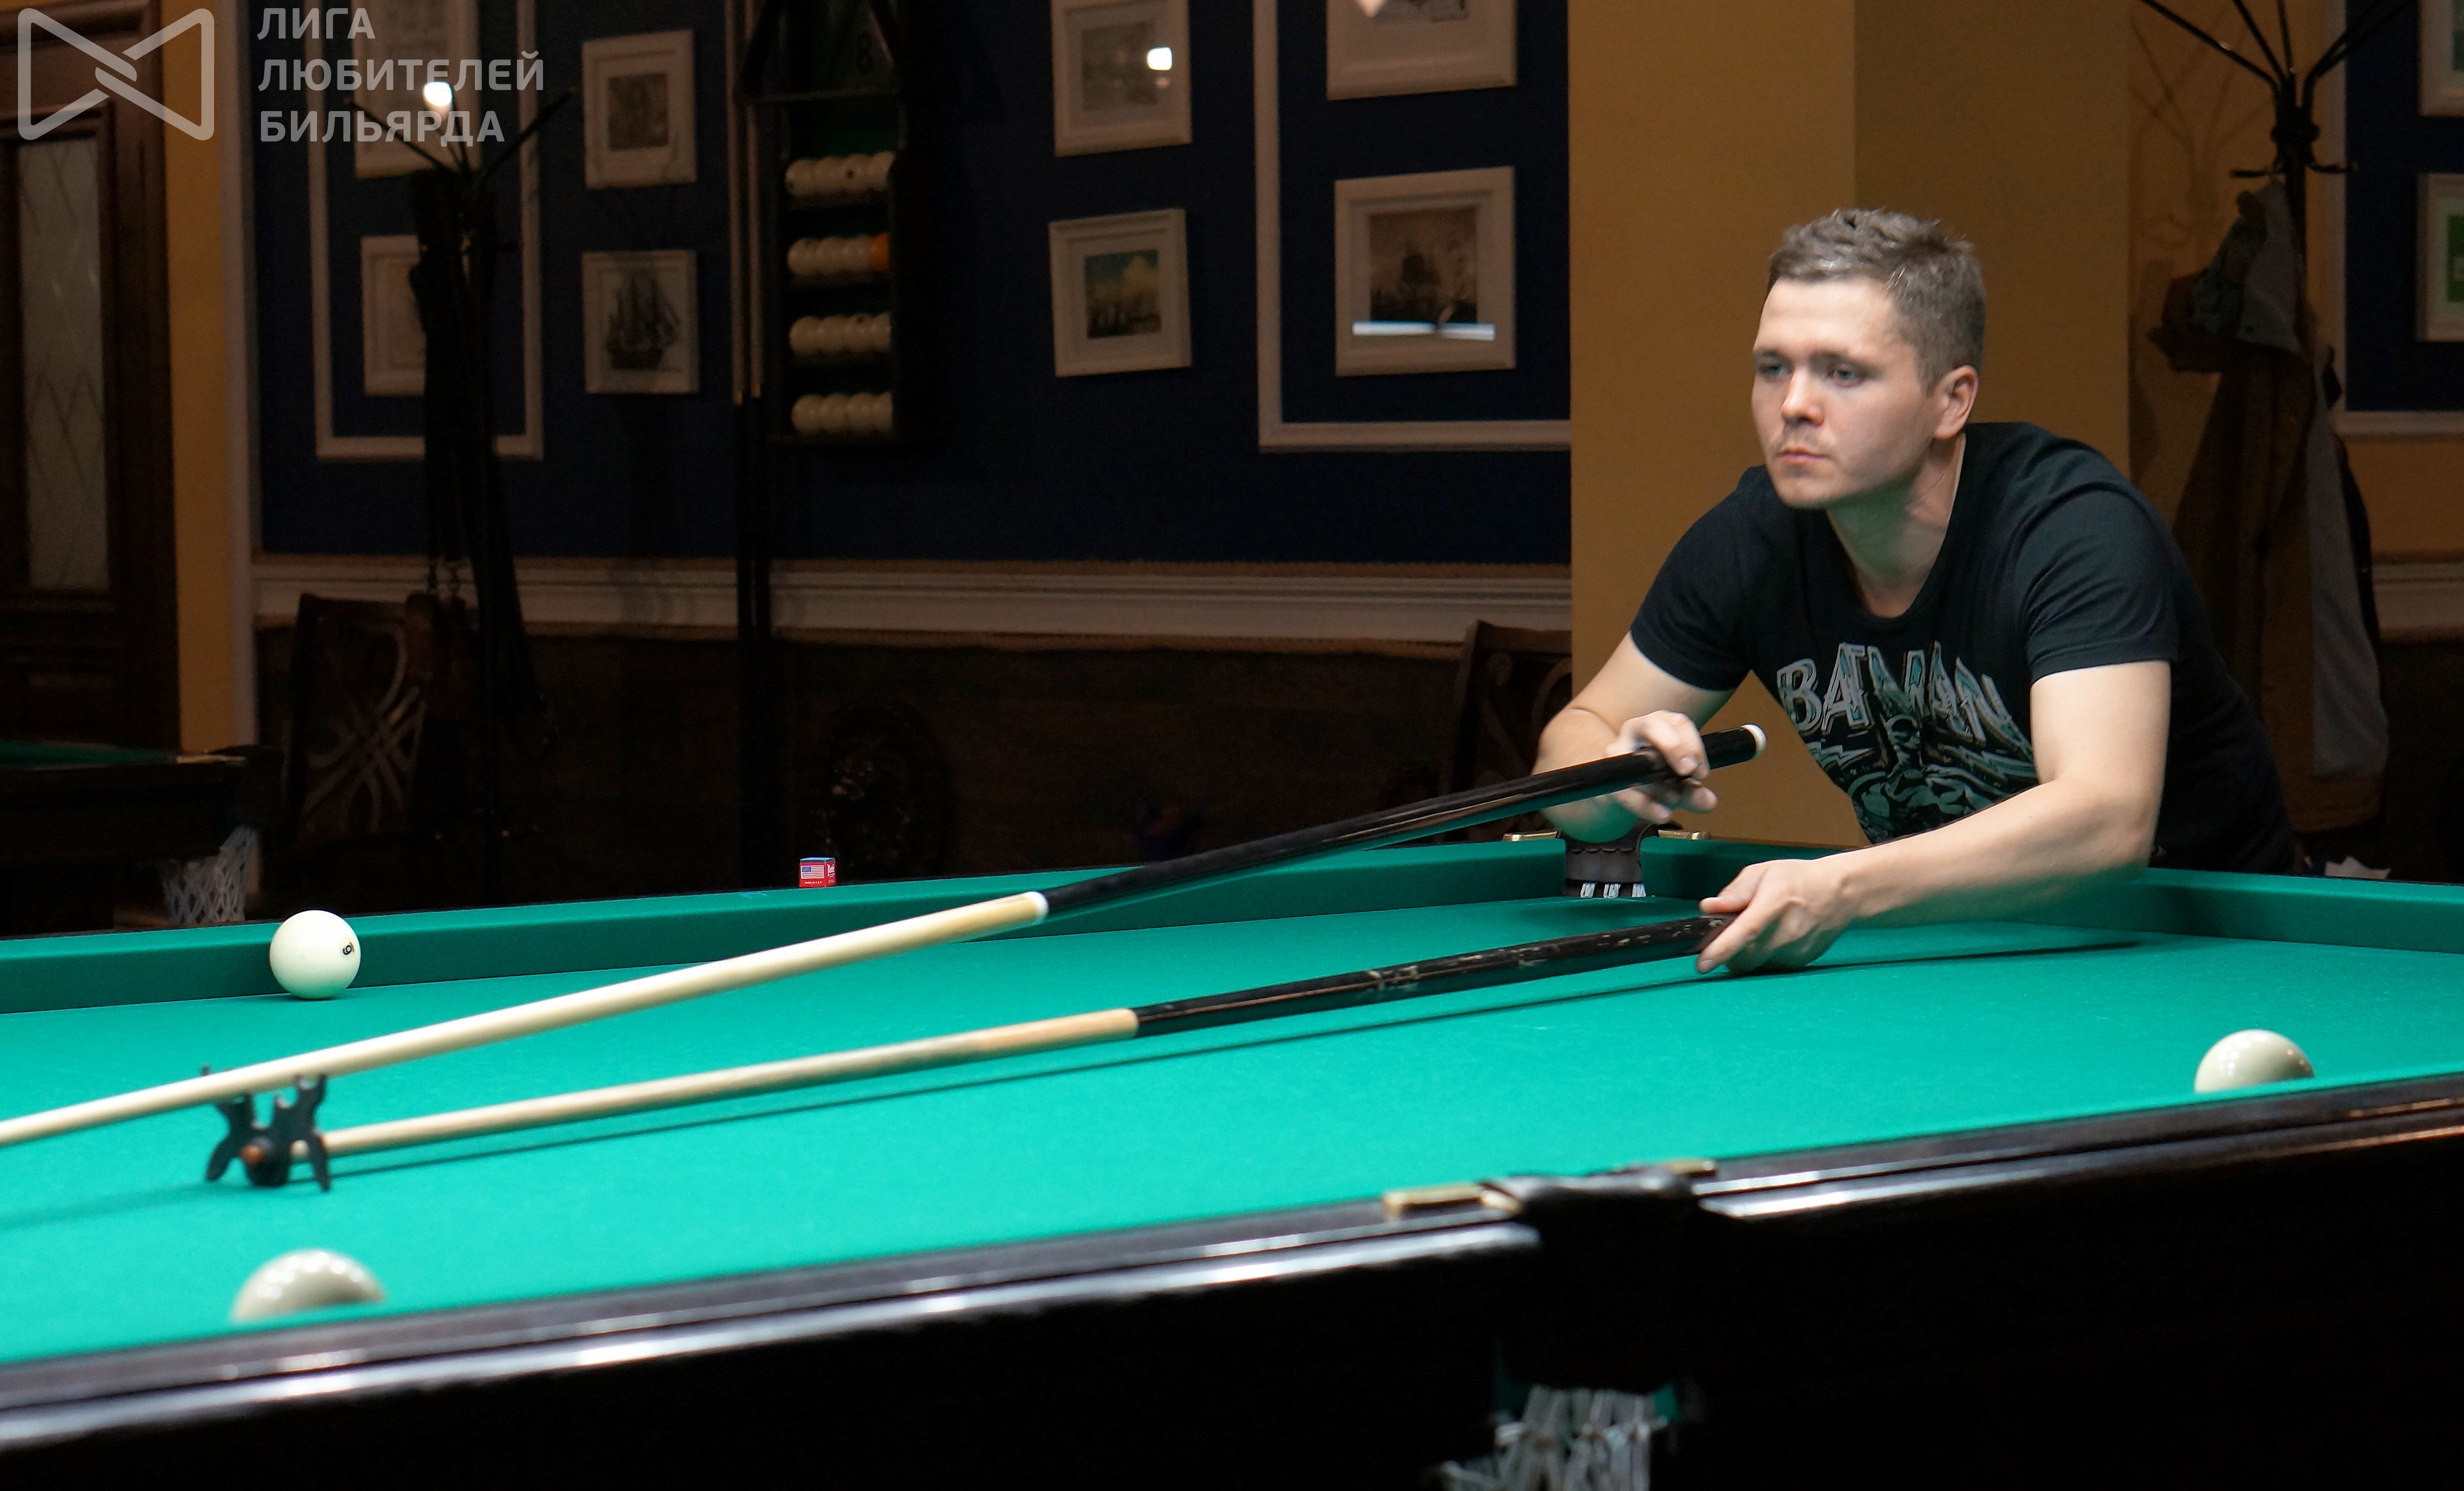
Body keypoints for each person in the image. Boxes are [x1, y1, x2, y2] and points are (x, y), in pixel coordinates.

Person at [1538, 209, 2290, 975]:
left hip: (2199, 939)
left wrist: (1840, 887)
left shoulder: (2074, 528)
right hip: (1958, 932)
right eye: (1773, 367)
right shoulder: (1749, 542)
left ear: (1951, 400)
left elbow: (2106, 817)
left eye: (1843, 372)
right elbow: (1575, 743)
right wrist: (1615, 775)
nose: (1794, 403)